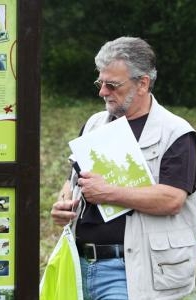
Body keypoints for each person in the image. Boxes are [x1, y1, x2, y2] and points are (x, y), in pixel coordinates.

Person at [51, 37, 196, 300]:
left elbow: (172, 199)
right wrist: (64, 204)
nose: (102, 92)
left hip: (132, 272)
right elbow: (72, 180)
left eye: (112, 85)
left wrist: (109, 193)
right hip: (79, 264)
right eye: (100, 83)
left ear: (143, 83)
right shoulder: (95, 123)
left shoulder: (176, 134)